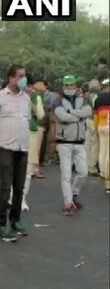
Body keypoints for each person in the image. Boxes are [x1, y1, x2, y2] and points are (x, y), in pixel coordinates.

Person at [0, 65, 31, 242]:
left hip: (22, 147)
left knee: (19, 187)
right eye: (20, 76)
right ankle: (0, 225)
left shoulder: (26, 99)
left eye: (24, 76)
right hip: (5, 147)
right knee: (5, 186)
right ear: (11, 78)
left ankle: (15, 220)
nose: (23, 79)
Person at [53, 75, 92, 215]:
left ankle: (74, 194)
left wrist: (71, 112)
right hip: (64, 143)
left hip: (80, 142)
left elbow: (88, 111)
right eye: (67, 85)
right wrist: (79, 116)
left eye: (72, 85)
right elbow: (62, 117)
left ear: (76, 86)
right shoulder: (58, 101)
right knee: (66, 175)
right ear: (63, 86)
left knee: (83, 172)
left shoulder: (83, 99)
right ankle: (68, 203)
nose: (70, 88)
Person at [8, 76, 46, 211]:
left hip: (30, 133)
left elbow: (40, 115)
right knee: (15, 167)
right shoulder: (13, 95)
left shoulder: (35, 97)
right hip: (17, 133)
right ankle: (13, 198)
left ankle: (21, 199)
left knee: (27, 169)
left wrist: (31, 102)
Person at [37, 80, 60, 177]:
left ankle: (47, 157)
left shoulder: (52, 95)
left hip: (50, 118)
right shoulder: (36, 95)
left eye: (40, 84)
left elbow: (53, 106)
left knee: (50, 137)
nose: (38, 86)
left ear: (45, 86)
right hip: (41, 119)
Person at [93, 78, 110, 193]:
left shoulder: (98, 99)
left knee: (102, 150)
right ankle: (107, 172)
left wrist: (96, 127)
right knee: (108, 152)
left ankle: (102, 171)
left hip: (100, 125)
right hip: (109, 126)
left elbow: (95, 114)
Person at [86, 79, 101, 176]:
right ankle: (92, 167)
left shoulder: (87, 96)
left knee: (88, 144)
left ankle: (87, 165)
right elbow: (97, 109)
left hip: (87, 120)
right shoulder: (95, 96)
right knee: (95, 144)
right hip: (93, 120)